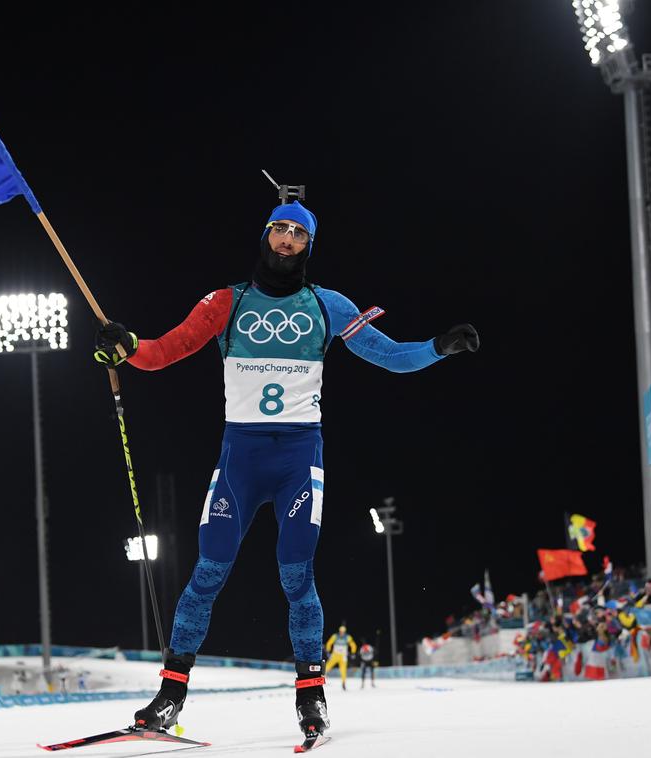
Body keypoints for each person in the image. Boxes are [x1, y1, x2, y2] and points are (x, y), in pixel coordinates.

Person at [94, 199, 479, 738]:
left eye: (298, 234)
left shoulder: (329, 306)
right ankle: (171, 696)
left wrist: (439, 346)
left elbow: (392, 356)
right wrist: (127, 347)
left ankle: (311, 699)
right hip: (240, 459)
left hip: (299, 458)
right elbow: (164, 351)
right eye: (279, 229)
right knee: (208, 572)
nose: (287, 240)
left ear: (309, 245)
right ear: (265, 235)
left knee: (297, 576)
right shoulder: (226, 302)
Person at [324, 625, 357, 690]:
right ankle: (321, 680)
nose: (342, 633)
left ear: (345, 632)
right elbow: (329, 643)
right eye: (341, 631)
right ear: (339, 631)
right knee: (327, 667)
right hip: (335, 655)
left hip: (343, 656)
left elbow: (353, 645)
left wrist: (353, 652)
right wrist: (328, 651)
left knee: (343, 670)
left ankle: (343, 683)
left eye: (343, 632)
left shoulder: (348, 637)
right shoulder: (335, 636)